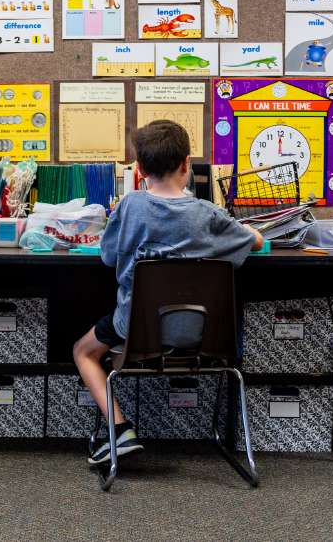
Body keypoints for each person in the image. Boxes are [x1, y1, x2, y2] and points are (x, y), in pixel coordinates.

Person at [72, 120, 263, 465]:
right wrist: (248, 230)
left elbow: (107, 256)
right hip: (200, 334)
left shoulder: (130, 207)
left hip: (136, 331)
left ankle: (120, 431)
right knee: (119, 350)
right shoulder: (208, 214)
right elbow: (255, 242)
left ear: (140, 169)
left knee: (84, 351)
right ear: (187, 164)